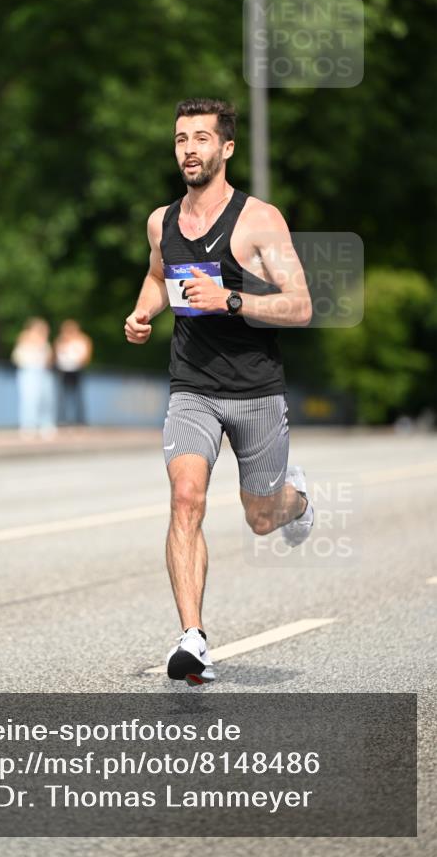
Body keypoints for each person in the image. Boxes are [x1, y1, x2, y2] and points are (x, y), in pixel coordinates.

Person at [124, 97, 314, 686]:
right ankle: (193, 638)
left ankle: (296, 500)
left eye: (201, 138)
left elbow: (301, 306)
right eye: (182, 139)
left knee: (261, 518)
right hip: (192, 386)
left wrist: (231, 299)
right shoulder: (161, 221)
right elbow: (158, 275)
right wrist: (143, 312)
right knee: (186, 499)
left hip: (256, 388)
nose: (189, 149)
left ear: (226, 148)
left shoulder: (259, 220)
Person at [11, 317, 56, 438]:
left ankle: (46, 425)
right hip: (29, 372)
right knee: (30, 400)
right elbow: (17, 358)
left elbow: (50, 360)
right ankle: (28, 426)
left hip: (43, 372)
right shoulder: (24, 340)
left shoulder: (45, 343)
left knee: (46, 400)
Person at [54, 319, 92, 425]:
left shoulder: (83, 339)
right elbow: (56, 355)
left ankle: (79, 420)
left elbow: (86, 355)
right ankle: (62, 419)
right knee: (62, 396)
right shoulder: (60, 340)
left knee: (78, 396)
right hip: (63, 370)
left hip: (77, 369)